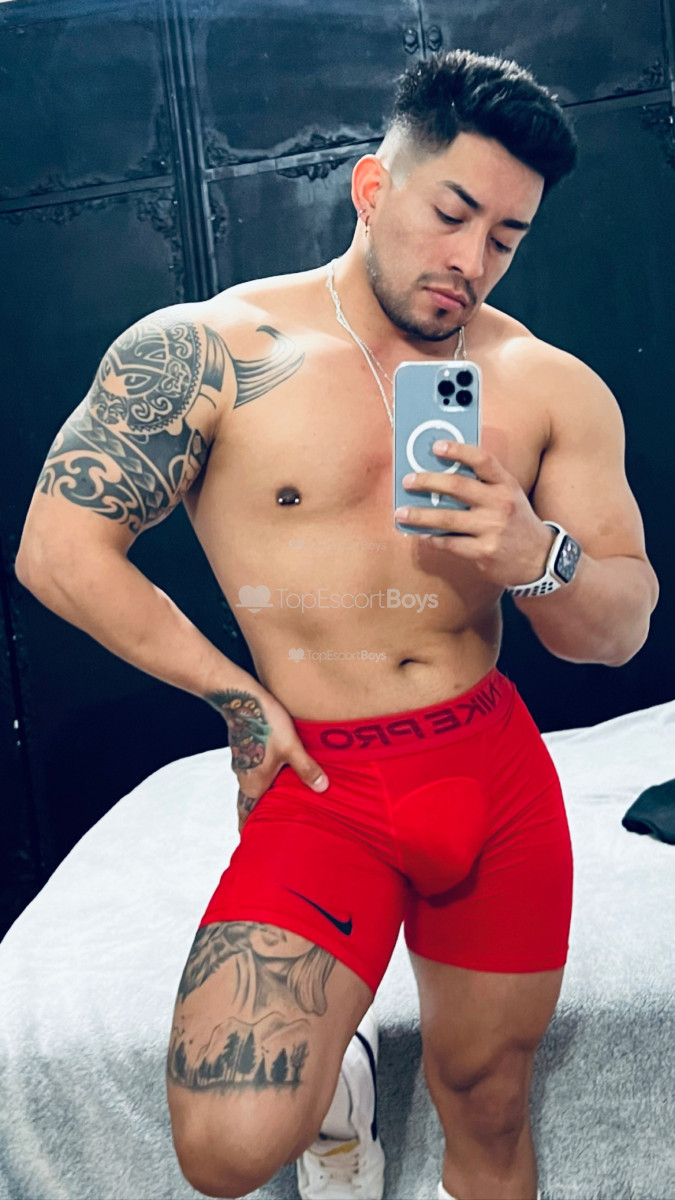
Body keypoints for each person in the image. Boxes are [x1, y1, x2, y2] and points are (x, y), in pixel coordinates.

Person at [16, 46, 659, 1200]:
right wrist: (237, 698)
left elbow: (616, 630)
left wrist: (536, 555)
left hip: (486, 771)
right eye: (451, 213)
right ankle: (338, 1094)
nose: (470, 262)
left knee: (489, 1103)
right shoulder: (212, 351)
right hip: (324, 782)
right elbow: (58, 551)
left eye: (506, 238)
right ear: (373, 187)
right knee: (226, 1148)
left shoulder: (549, 385)